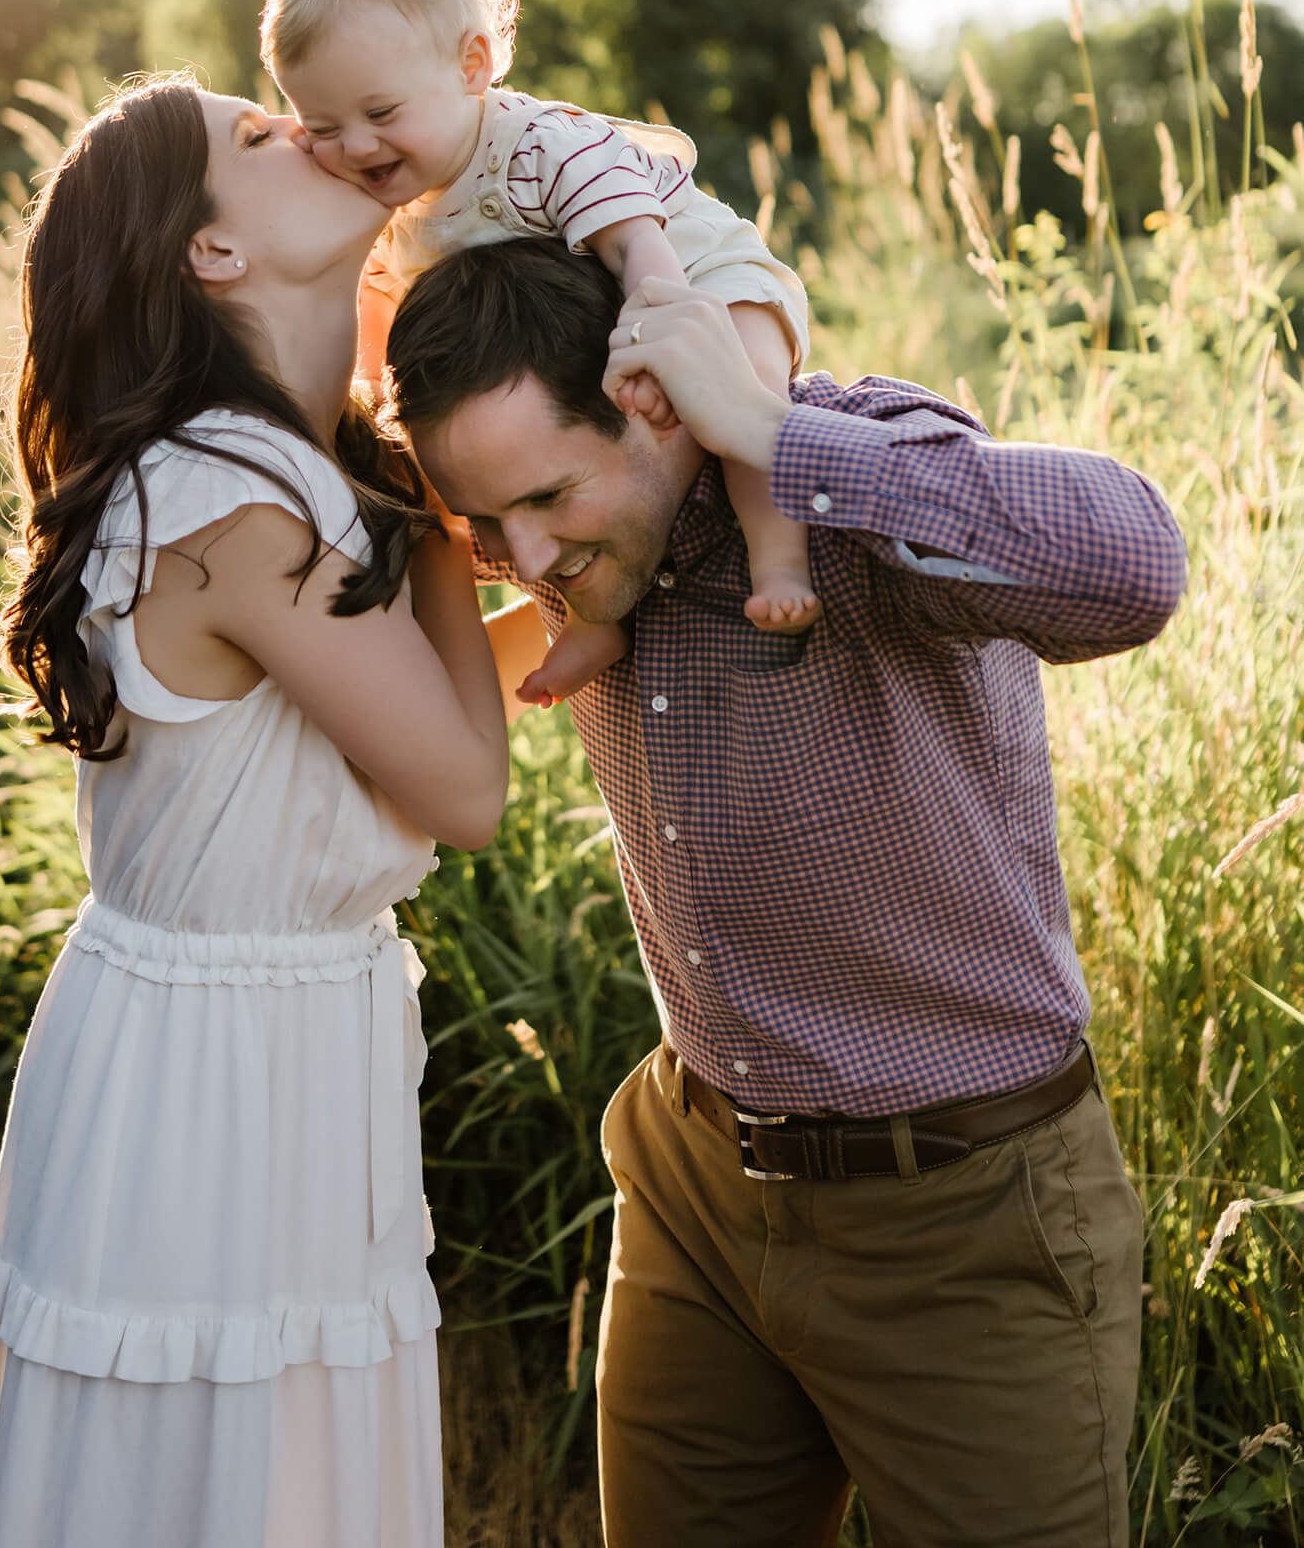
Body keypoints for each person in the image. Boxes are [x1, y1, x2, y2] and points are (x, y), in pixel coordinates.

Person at [384, 238, 1188, 1548]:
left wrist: (766, 427)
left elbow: (1133, 571)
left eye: (543, 497)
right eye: (486, 520)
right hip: (692, 1178)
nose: (519, 556)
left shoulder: (837, 475)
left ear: (652, 402)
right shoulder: (583, 546)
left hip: (960, 1211)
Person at [0, 75, 510, 1548]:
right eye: (258, 138)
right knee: (233, 1481)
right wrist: (433, 499)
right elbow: (459, 785)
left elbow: (362, 729)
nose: (308, 130)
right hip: (217, 1079)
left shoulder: (245, 465)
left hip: (238, 1037)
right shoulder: (244, 497)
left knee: (251, 1474)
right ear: (209, 253)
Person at [261, 0, 817, 708]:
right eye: (322, 126)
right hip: (585, 316)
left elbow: (637, 249)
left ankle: (780, 556)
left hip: (695, 272)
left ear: (472, 65)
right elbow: (381, 311)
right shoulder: (396, 210)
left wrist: (655, 347)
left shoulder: (542, 145)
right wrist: (382, 401)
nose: (355, 147)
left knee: (742, 399)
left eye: (380, 114)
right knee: (509, 481)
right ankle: (582, 621)